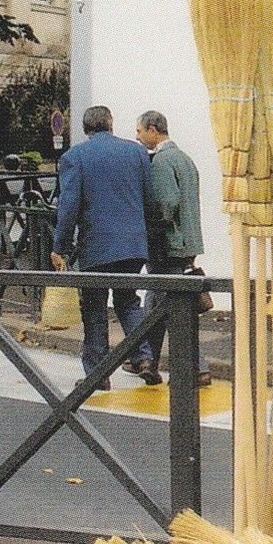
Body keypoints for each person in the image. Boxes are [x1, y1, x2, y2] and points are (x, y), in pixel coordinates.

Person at [51, 105, 154, 387]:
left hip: (96, 244)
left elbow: (69, 207)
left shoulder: (75, 157)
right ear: (111, 123)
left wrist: (59, 246)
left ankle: (98, 374)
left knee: (94, 307)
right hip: (133, 243)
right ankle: (144, 357)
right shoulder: (136, 152)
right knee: (128, 301)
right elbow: (148, 197)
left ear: (86, 129)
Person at [131, 110, 209, 386]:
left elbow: (166, 204)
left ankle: (174, 364)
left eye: (140, 131)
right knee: (161, 302)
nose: (138, 137)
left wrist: (150, 225)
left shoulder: (162, 162)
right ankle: (149, 360)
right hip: (187, 241)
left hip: (168, 243)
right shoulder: (185, 159)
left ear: (153, 130)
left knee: (165, 304)